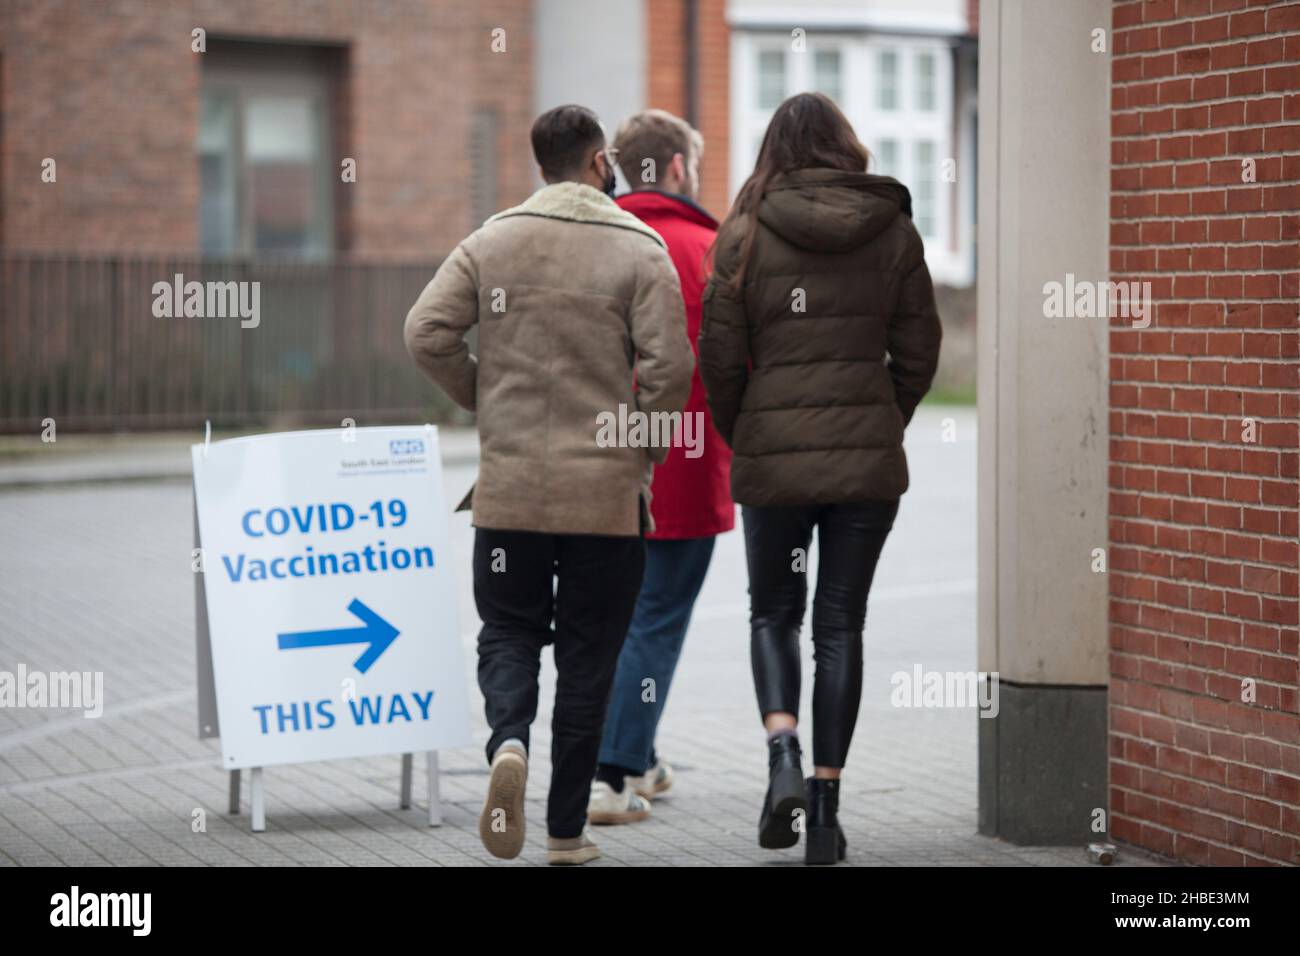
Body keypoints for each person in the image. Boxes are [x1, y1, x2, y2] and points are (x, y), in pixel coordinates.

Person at [404, 104, 694, 865]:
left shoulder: (491, 241)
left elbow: (425, 331)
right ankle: (566, 833)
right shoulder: (641, 249)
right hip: (604, 502)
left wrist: (487, 398)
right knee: (589, 663)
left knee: (508, 633)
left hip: (511, 495)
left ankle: (508, 742)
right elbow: (671, 370)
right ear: (601, 162)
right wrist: (642, 447)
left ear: (541, 165)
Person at [698, 92, 942, 865]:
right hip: (865, 464)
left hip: (774, 454)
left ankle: (783, 757)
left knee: (774, 612)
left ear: (774, 148)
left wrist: (748, 430)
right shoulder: (893, 230)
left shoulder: (743, 233)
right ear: (846, 145)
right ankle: (827, 817)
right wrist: (883, 417)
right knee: (841, 624)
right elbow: (920, 349)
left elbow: (717, 359)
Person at [586, 110, 734, 826]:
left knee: (612, 618)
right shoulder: (708, 250)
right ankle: (611, 775)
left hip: (593, 461)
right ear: (677, 167)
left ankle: (636, 754)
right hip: (684, 464)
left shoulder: (595, 241)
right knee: (656, 618)